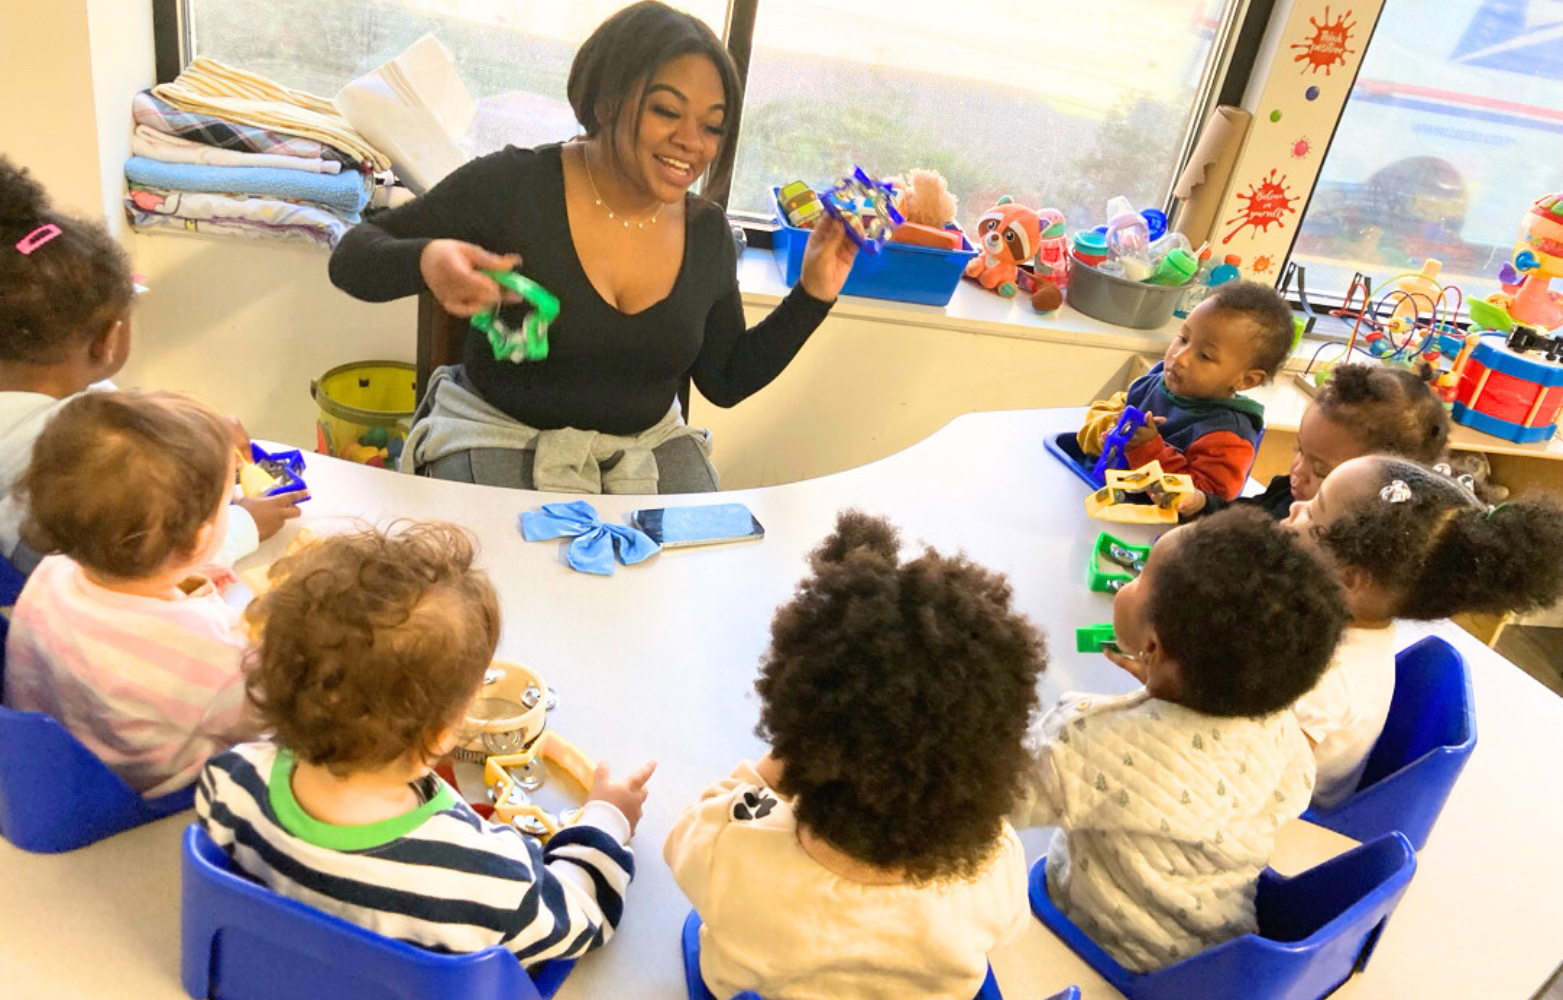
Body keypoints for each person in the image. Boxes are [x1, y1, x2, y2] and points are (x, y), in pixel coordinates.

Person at [329, 1, 857, 494]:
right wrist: (426, 261)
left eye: (712, 125)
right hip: (497, 436)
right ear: (607, 102)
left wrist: (813, 293)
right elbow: (352, 257)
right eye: (666, 111)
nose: (692, 142)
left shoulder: (707, 233)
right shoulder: (514, 187)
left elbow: (724, 379)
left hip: (645, 454)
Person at [197, 522, 657, 964]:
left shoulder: (230, 780)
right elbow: (580, 918)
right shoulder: (482, 873)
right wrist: (606, 818)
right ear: (440, 736)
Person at [664, 510, 1045, 1000]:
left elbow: (683, 841)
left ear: (803, 743)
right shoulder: (994, 865)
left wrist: (767, 772)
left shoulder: (733, 855)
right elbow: (1009, 932)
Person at [1017, 507, 1348, 972]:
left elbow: (992, 799)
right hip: (1218, 949)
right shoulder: (1282, 726)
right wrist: (1159, 687)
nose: (1129, 584)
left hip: (1098, 949)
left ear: (1152, 647)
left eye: (1138, 577)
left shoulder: (1086, 740)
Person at [0, 156, 303, 573]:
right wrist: (242, 526)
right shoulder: (75, 451)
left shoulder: (49, 405)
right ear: (108, 340)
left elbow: (100, 402)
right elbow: (139, 566)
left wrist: (193, 425)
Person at [3, 391, 257, 797]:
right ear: (199, 539)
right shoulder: (204, 650)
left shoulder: (52, 571)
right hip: (154, 799)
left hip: (59, 768)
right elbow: (267, 718)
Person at [1285, 455, 1563, 808]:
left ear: (1349, 579)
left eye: (1314, 510)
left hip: (1283, 823)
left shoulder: (1325, 686)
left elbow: (1246, 785)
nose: (1296, 508)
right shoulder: (1350, 621)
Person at [1077, 282, 1295, 501]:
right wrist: (1110, 430)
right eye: (1183, 338)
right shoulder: (1154, 382)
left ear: (1246, 380)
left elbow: (1204, 506)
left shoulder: (1227, 436)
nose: (1179, 357)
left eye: (1205, 356)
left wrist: (1148, 450)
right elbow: (1090, 425)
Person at [1183, 362, 1450, 519]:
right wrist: (1202, 504)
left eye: (1321, 470)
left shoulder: (1345, 549)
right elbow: (1243, 517)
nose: (1298, 470)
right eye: (1299, 450)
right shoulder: (1288, 492)